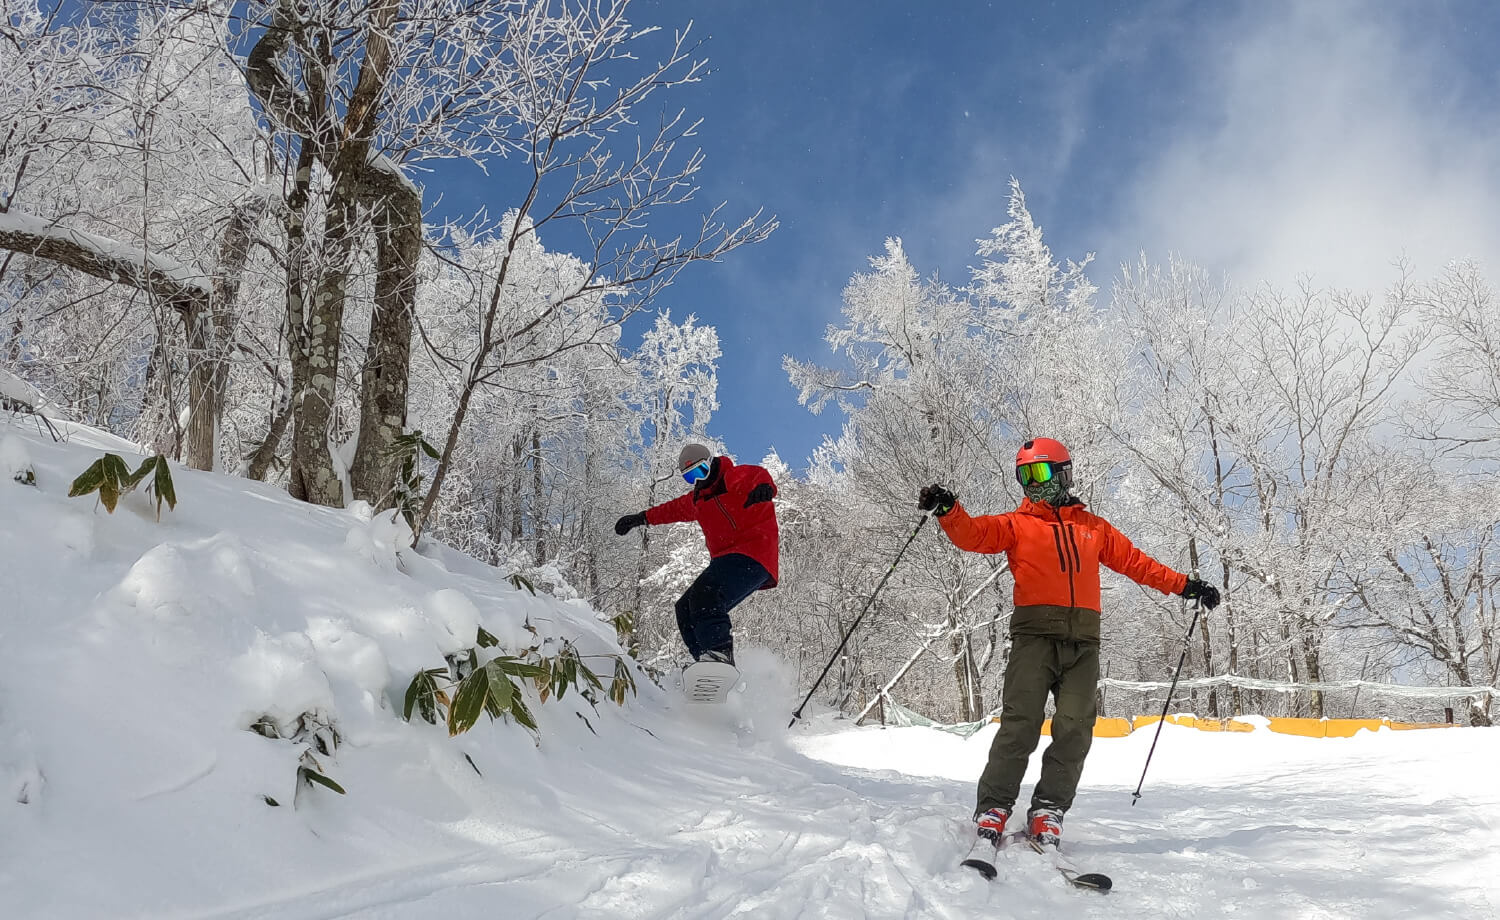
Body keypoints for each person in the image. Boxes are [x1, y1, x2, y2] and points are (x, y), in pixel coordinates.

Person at [917, 437, 1220, 850]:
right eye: (1024, 476)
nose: (1032, 484)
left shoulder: (1092, 529)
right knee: (1020, 723)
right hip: (1034, 638)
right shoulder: (1016, 525)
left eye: (1040, 473)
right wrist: (950, 511)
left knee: (1075, 728)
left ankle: (1049, 809)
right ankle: (994, 805)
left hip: (1082, 643)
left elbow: (1137, 563)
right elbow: (974, 534)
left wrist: (1186, 585)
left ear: (1063, 473)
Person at [614, 444, 779, 665]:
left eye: (700, 471)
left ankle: (719, 654)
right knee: (684, 607)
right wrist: (641, 518)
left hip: (753, 553)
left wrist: (763, 488)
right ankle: (705, 663)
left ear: (710, 463)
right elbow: (671, 510)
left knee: (706, 594)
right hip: (726, 561)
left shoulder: (731, 478)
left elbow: (755, 475)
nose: (697, 480)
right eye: (690, 477)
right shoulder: (698, 501)